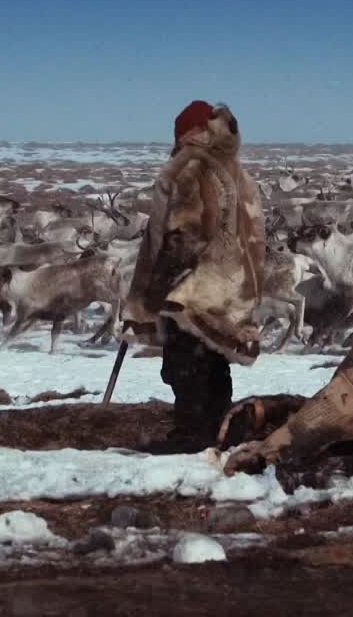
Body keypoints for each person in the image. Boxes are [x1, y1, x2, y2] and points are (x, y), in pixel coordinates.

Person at [123, 100, 265, 453]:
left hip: (192, 284)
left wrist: (154, 290)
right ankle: (219, 429)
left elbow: (181, 234)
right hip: (230, 285)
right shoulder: (235, 169)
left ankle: (191, 436)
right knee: (214, 356)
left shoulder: (189, 168)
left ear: (185, 134)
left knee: (184, 361)